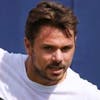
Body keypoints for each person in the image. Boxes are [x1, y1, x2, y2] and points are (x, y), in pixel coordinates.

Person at [0, 1, 100, 100]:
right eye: (48, 48)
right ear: (28, 46)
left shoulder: (88, 96)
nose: (58, 58)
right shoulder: (2, 66)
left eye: (66, 48)